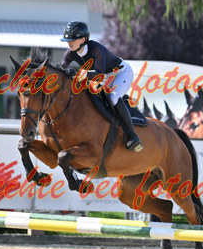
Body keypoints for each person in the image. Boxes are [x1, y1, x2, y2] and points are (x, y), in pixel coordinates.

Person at [60, 21, 143, 152]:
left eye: (72, 40)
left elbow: (98, 74)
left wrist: (76, 73)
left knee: (112, 98)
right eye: (68, 40)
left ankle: (132, 135)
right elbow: (61, 69)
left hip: (120, 73)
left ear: (83, 39)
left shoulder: (96, 49)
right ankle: (123, 101)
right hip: (104, 77)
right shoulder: (70, 52)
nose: (69, 43)